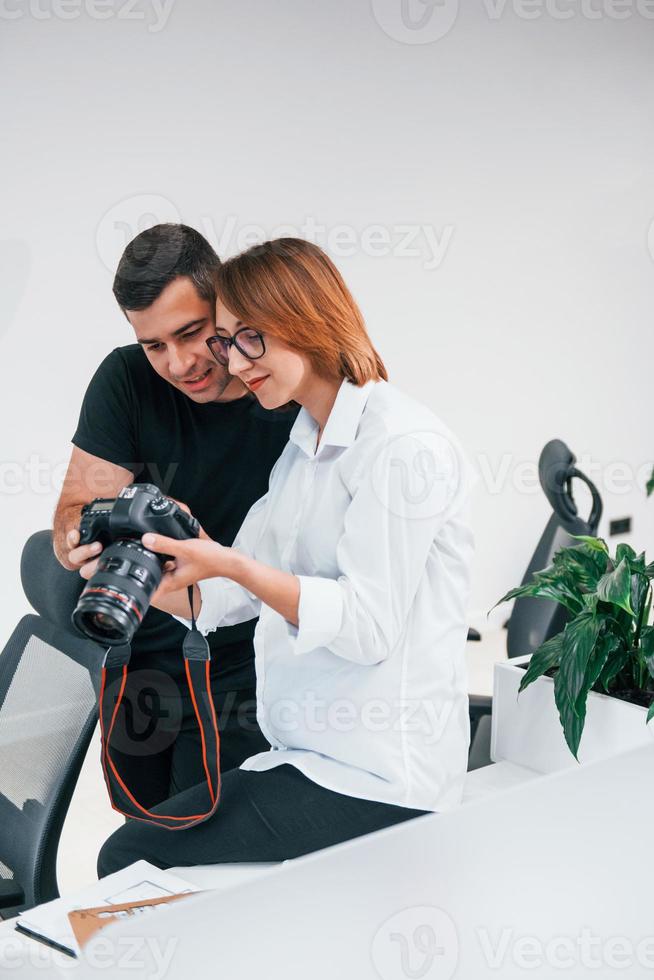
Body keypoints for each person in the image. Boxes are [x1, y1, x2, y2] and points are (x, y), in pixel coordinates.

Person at [96, 237, 474, 876]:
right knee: (142, 842)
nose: (236, 364)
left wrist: (231, 566)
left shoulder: (402, 447)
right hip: (309, 755)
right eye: (227, 342)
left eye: (250, 340)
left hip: (380, 782)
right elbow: (227, 591)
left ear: (306, 323)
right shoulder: (305, 448)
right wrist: (147, 578)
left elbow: (368, 628)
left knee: (132, 858)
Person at [28, 224, 298, 809]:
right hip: (138, 657)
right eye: (155, 345)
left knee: (213, 863)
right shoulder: (126, 380)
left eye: (193, 333)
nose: (178, 364)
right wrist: (82, 535)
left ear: (223, 305)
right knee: (141, 852)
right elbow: (73, 510)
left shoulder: (286, 396)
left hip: (252, 671)